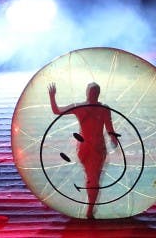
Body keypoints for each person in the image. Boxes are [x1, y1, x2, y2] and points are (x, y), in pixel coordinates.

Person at [48, 81, 120, 219]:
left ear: (98, 94)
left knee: (94, 178)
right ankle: (89, 211)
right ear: (87, 93)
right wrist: (52, 97)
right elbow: (57, 111)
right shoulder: (80, 107)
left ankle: (90, 207)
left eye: (95, 92)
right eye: (92, 92)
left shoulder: (104, 109)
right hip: (86, 148)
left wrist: (113, 139)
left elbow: (110, 128)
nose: (93, 94)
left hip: (98, 149)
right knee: (93, 178)